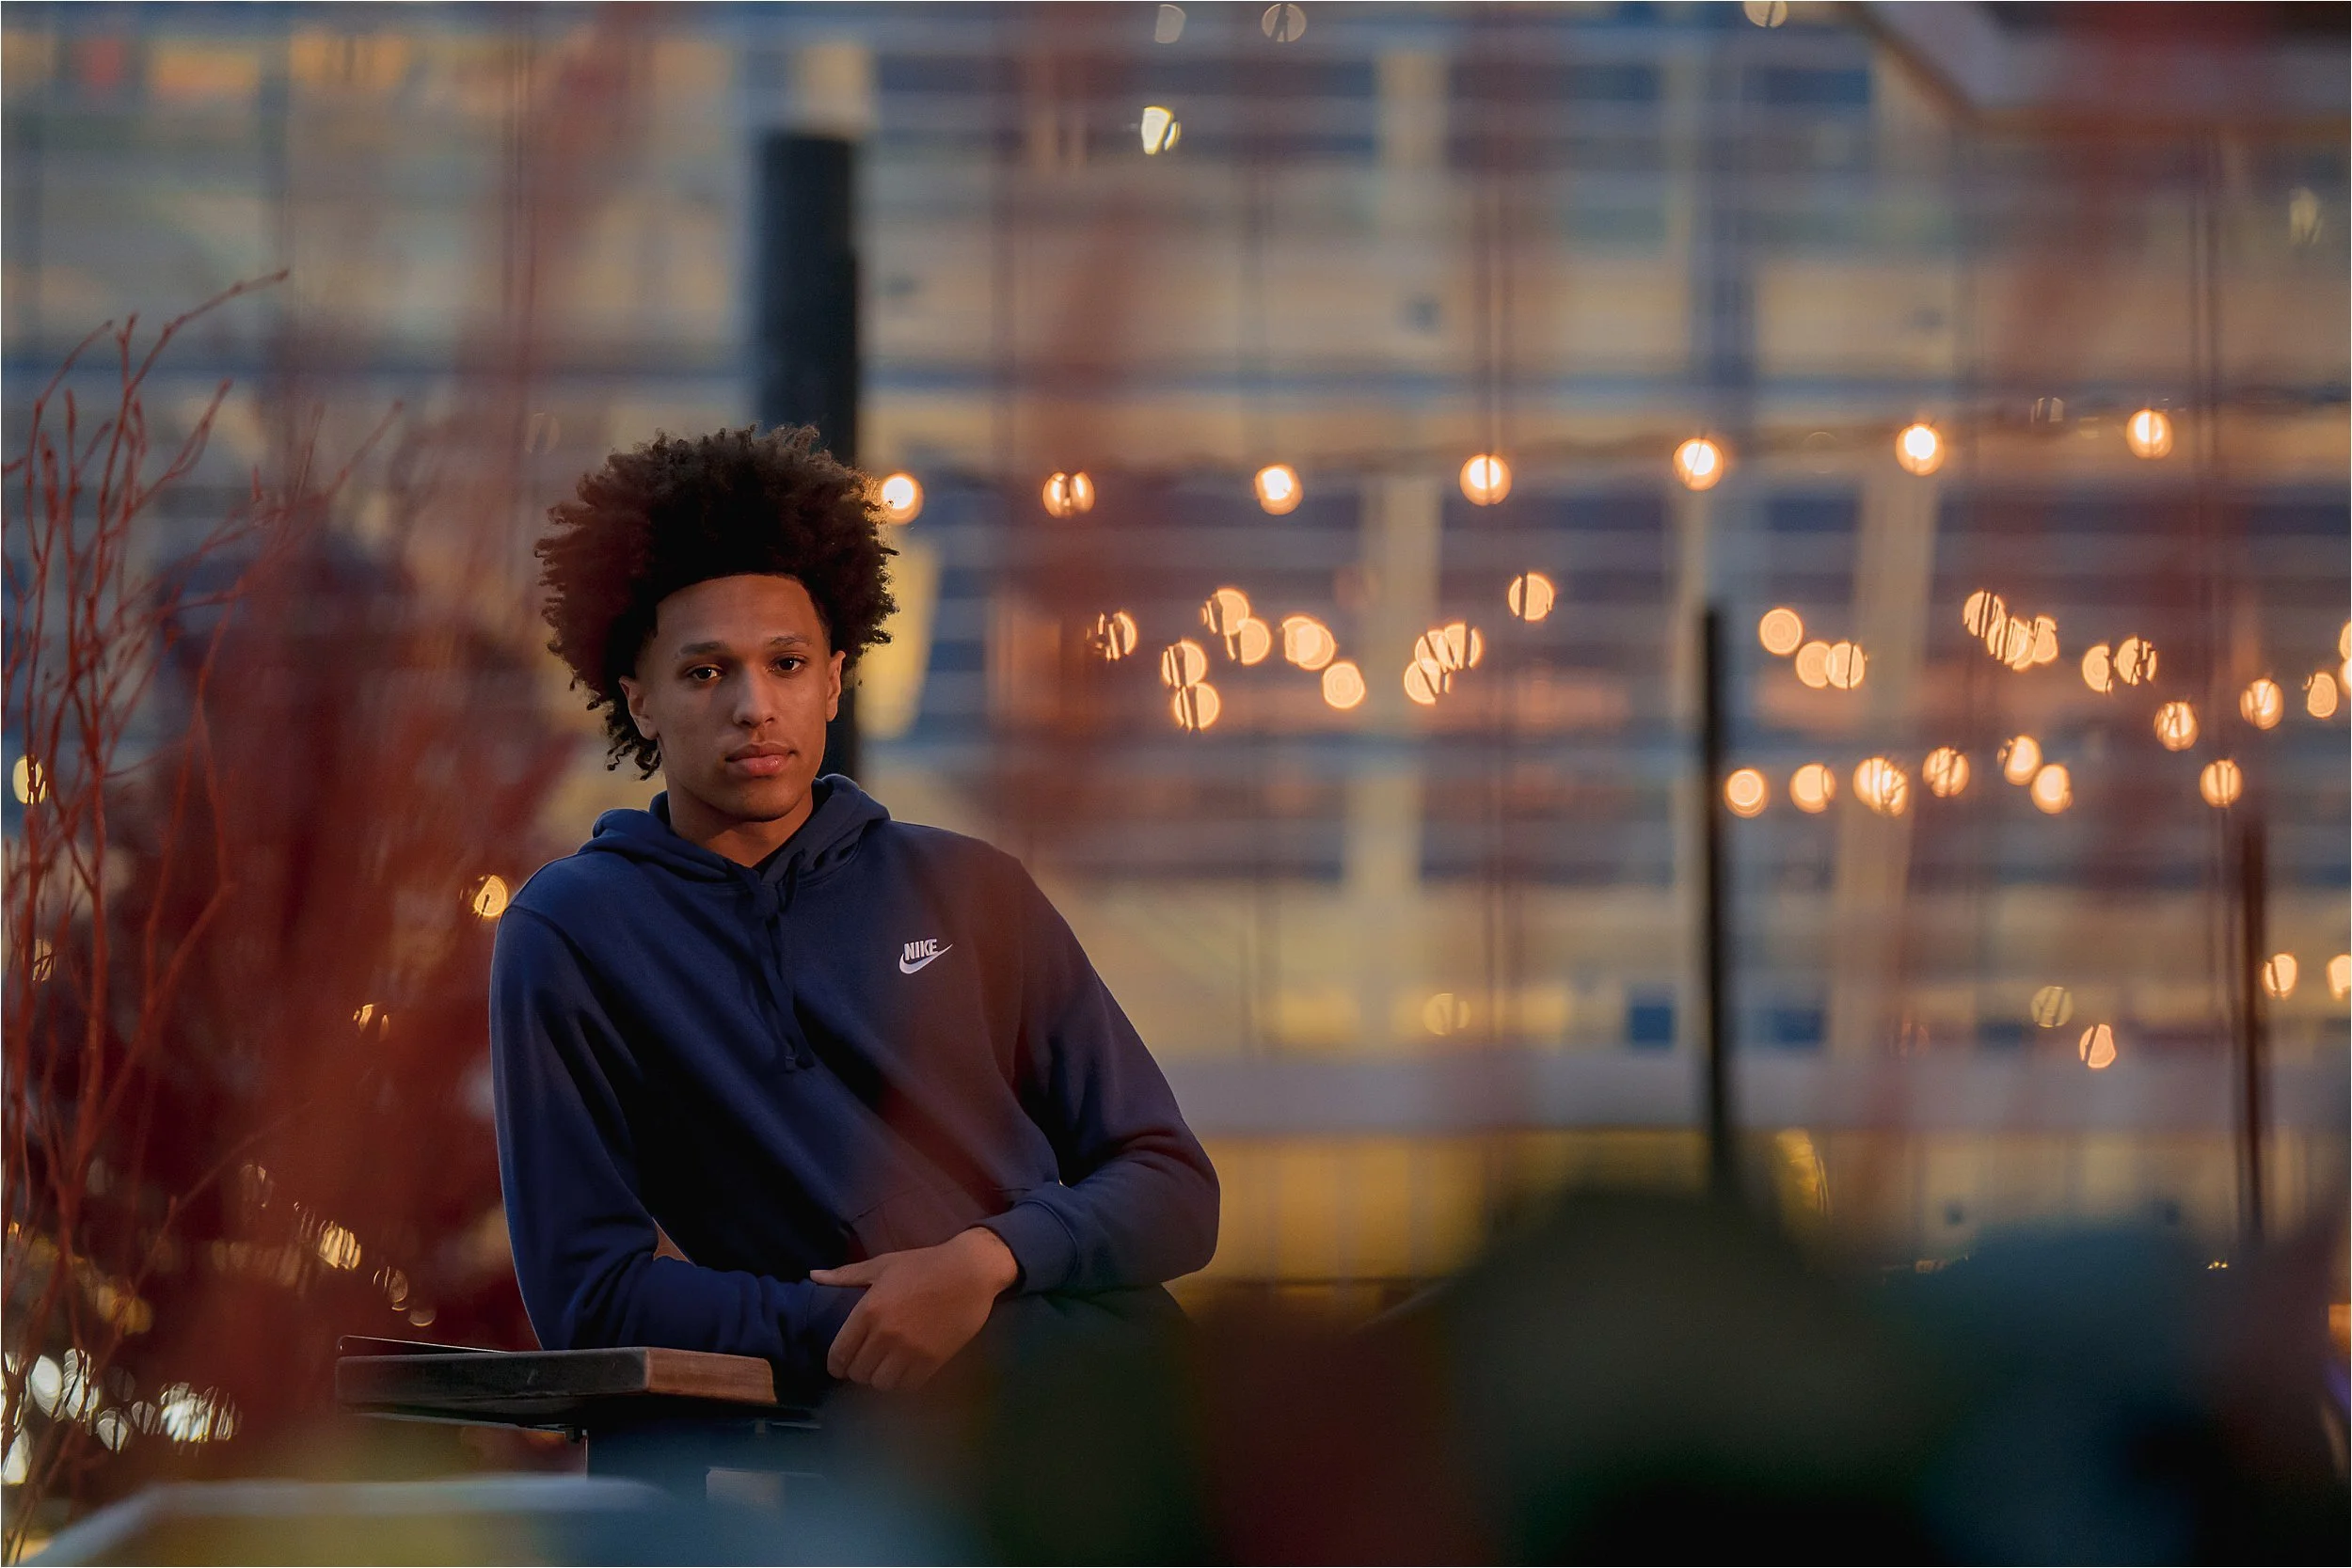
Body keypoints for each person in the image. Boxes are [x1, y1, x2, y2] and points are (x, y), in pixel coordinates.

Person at [490, 426, 1218, 1398]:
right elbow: (592, 1295)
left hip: (1129, 1402)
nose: (755, 704)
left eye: (786, 663)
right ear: (641, 701)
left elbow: (1171, 1183)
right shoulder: (572, 930)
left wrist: (980, 1262)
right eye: (706, 671)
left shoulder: (971, 887)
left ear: (834, 676)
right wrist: (866, 1324)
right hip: (869, 1459)